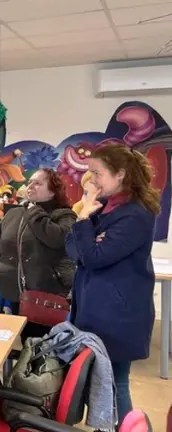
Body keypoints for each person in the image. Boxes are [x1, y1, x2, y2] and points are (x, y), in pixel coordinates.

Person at [65, 143, 160, 426]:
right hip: (93, 307)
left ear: (120, 174)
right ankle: (108, 426)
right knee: (100, 378)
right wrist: (86, 229)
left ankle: (124, 427)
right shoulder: (102, 208)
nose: (92, 181)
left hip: (118, 314)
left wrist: (83, 221)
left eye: (97, 173)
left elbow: (93, 257)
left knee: (116, 380)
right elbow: (73, 249)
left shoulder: (136, 215)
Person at [0, 168, 76, 339]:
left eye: (38, 183)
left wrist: (33, 209)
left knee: (44, 347)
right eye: (30, 182)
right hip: (12, 291)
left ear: (53, 191)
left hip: (45, 294)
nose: (31, 186)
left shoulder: (64, 215)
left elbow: (56, 239)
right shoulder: (13, 213)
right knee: (17, 341)